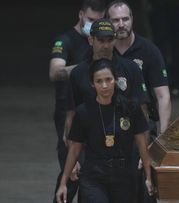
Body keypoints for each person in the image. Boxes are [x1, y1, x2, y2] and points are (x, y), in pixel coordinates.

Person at [56, 58, 154, 203]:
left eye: (108, 79)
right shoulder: (84, 112)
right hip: (94, 176)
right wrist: (63, 182)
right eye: (99, 81)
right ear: (92, 84)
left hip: (124, 175)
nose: (104, 85)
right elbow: (75, 149)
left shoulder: (130, 108)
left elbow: (142, 144)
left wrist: (148, 177)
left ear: (115, 80)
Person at [107, 2, 171, 202]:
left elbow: (163, 96)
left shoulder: (149, 50)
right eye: (115, 20)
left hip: (142, 126)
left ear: (132, 19)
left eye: (125, 19)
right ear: (108, 23)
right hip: (109, 126)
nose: (121, 24)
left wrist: (161, 138)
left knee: (144, 186)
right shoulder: (103, 50)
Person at [48, 0, 106, 202]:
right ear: (81, 14)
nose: (93, 24)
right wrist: (87, 67)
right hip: (68, 112)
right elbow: (55, 72)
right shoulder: (65, 40)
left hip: (94, 111)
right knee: (72, 168)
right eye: (90, 20)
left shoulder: (102, 40)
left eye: (99, 21)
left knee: (92, 171)